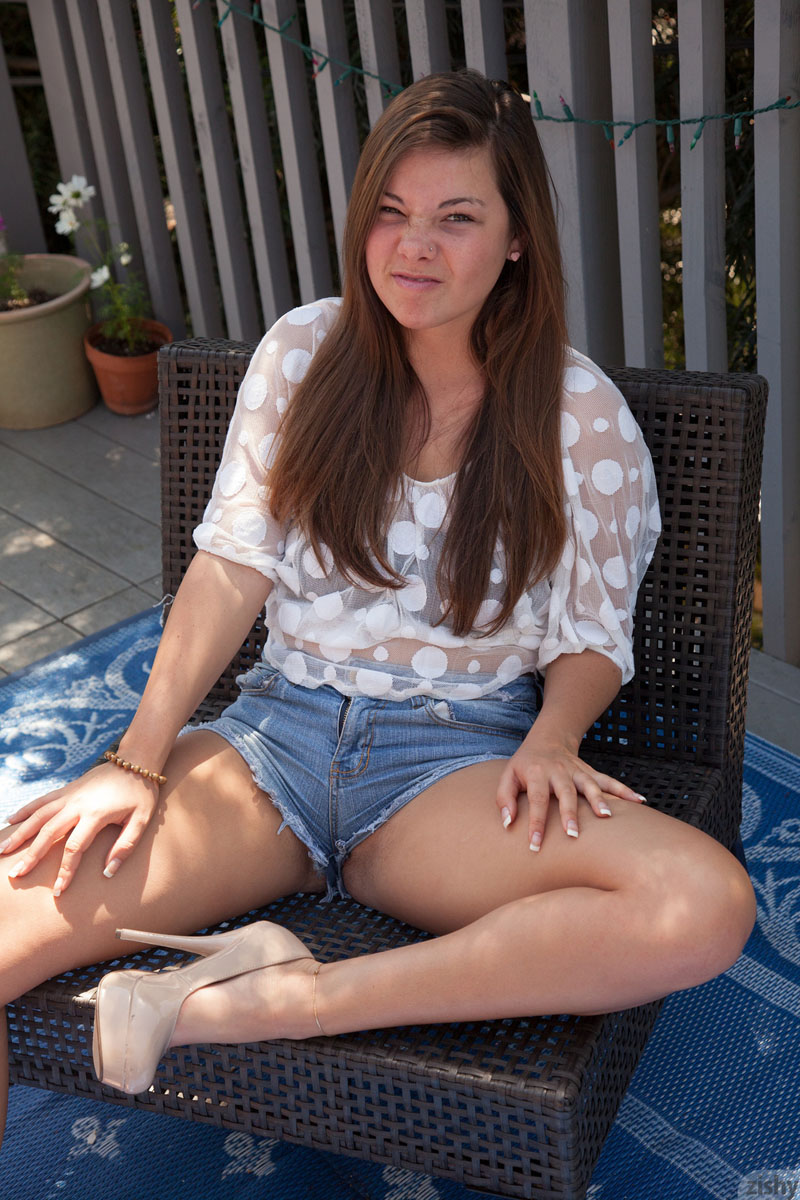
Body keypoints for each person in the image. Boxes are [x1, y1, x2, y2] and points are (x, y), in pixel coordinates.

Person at [0, 69, 755, 1116]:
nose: (414, 247)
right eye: (391, 213)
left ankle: (298, 998)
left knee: (701, 903)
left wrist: (553, 738)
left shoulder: (578, 415)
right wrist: (136, 758)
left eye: (457, 218)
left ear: (517, 238)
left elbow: (592, 631)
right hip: (270, 742)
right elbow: (230, 567)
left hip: (449, 769)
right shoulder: (303, 352)